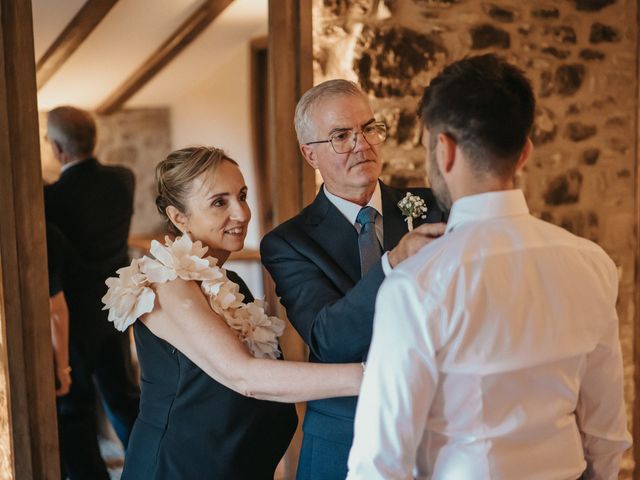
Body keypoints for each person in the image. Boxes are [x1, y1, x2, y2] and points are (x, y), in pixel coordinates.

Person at [347, 54, 632, 479]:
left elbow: (379, 462)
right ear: (524, 153)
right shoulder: (591, 263)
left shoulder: (417, 285)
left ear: (444, 150)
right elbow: (606, 435)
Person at [102, 146, 363, 479]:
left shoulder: (232, 280)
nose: (241, 214)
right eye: (219, 202)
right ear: (179, 218)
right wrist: (371, 375)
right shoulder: (163, 283)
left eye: (242, 196)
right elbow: (245, 375)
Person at [260, 79, 447, 479]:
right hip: (345, 434)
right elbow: (328, 339)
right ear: (310, 154)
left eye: (369, 129)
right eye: (341, 136)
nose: (362, 144)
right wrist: (392, 263)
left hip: (441, 428)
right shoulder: (288, 243)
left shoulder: (432, 208)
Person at [44, 106, 140, 479]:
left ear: (56, 147)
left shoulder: (49, 199)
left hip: (73, 315)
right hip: (116, 308)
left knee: (75, 411)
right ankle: (150, 469)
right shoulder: (123, 179)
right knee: (125, 399)